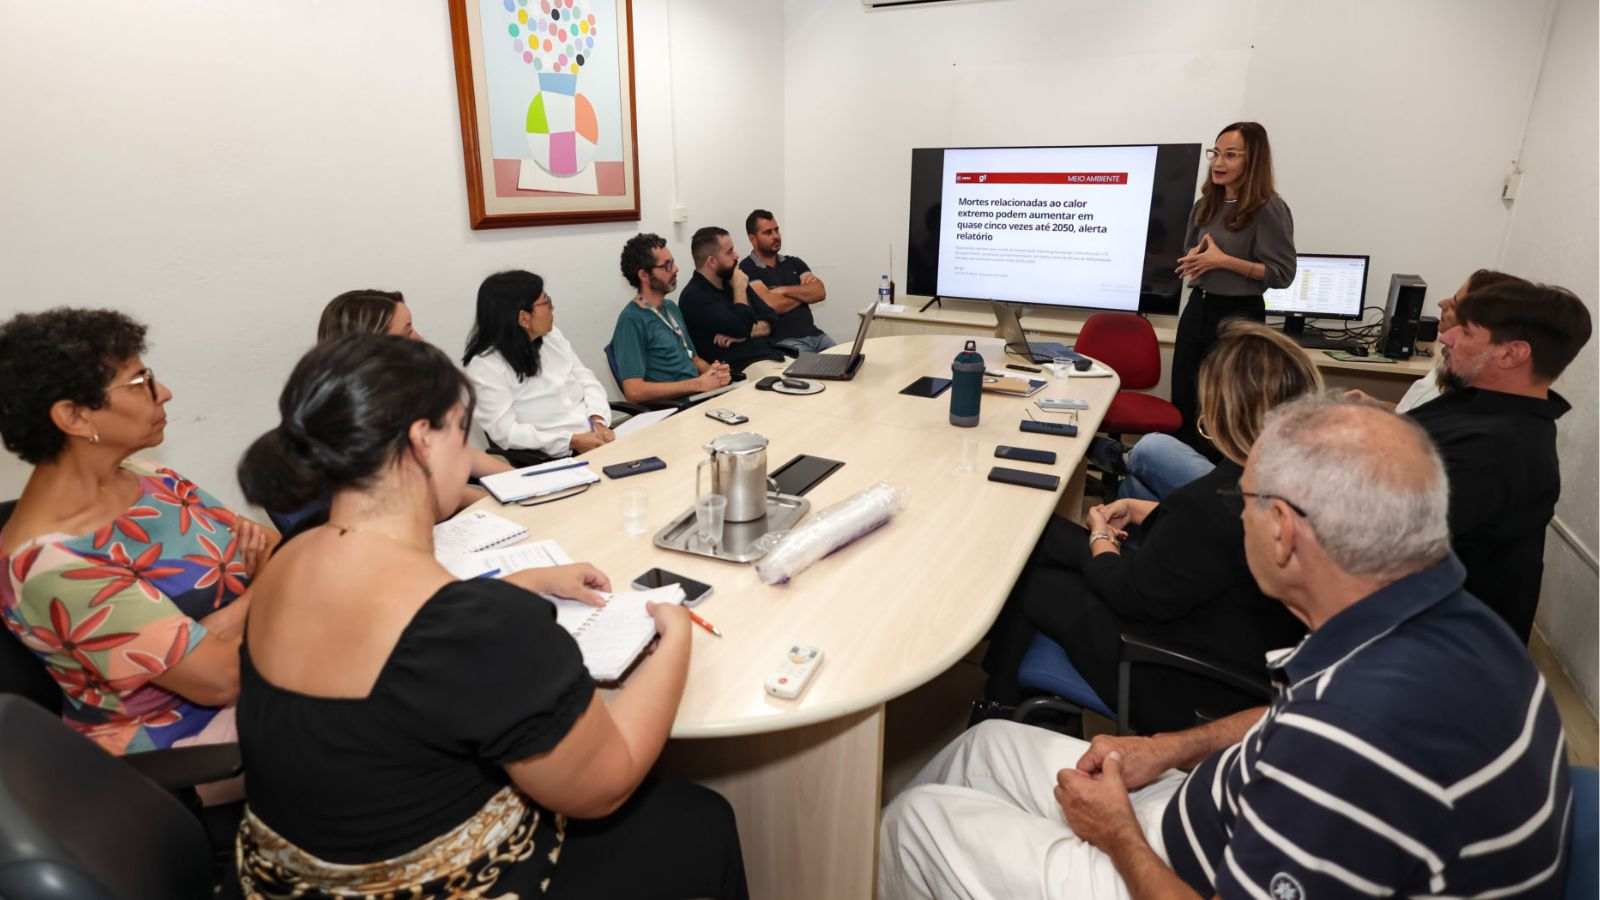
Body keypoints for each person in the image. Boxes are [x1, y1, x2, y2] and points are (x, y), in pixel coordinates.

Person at [883, 397, 1572, 900]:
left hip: (1180, 871)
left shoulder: (1355, 736)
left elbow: (1325, 747)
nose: (1232, 514)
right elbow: (1294, 720)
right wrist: (1170, 748)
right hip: (1220, 817)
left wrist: (1118, 834)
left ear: (1281, 533)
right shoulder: (1446, 616)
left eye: (1241, 501)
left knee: (917, 821)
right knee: (985, 746)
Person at [233, 334, 748, 899]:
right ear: (422, 442)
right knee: (700, 817)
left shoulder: (290, 559)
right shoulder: (478, 626)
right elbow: (604, 784)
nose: (469, 451)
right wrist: (673, 635)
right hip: (437, 883)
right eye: (462, 430)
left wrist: (524, 583)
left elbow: (385, 636)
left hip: (287, 876)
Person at [982, 322, 1318, 731]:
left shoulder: (1220, 502)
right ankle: (1012, 698)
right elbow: (1208, 551)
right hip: (1239, 647)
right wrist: (1150, 513)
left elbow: (1126, 593)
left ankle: (1000, 706)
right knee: (1041, 535)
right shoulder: (1291, 479)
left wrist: (1101, 536)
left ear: (1221, 408)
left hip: (1181, 676)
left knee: (1036, 580)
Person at [0, 308, 271, 757]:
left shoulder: (147, 477)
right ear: (74, 417)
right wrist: (263, 590)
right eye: (139, 382)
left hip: (267, 675)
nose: (164, 393)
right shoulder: (51, 569)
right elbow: (221, 679)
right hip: (192, 747)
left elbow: (277, 547)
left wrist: (221, 621)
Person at [1407, 279, 1591, 643]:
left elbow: (1381, 542)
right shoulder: (1476, 404)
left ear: (1511, 354)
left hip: (1437, 644)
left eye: (1468, 331)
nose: (1447, 337)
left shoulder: (1499, 451)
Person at [1170, 122, 1296, 450]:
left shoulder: (1268, 207)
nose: (1218, 163)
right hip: (1199, 308)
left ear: (1252, 160)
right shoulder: (1205, 205)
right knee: (1184, 399)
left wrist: (1224, 261)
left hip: (1239, 316)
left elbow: (1282, 273)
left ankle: (1211, 483)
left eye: (1230, 155)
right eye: (1215, 153)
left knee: (1225, 409)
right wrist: (1195, 259)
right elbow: (1190, 250)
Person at [462, 269, 615, 467]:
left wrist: (598, 419)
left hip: (597, 439)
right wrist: (570, 440)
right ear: (524, 318)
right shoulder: (485, 366)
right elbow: (506, 432)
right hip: (553, 459)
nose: (553, 307)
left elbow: (587, 380)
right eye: (546, 302)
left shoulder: (552, 337)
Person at [611, 233, 733, 405]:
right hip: (673, 407)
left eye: (673, 262)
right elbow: (634, 390)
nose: (675, 269)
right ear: (644, 275)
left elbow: (693, 359)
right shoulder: (631, 320)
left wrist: (714, 373)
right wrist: (697, 384)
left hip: (697, 398)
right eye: (667, 265)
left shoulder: (671, 308)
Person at [1394, 269, 1528, 413]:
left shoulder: (1467, 380)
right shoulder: (1453, 360)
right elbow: (1409, 416)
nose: (1441, 304)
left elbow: (1411, 427)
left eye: (1455, 305)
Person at [679, 225, 786, 374]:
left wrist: (746, 335)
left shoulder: (732, 278)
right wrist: (740, 290)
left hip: (770, 355)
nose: (736, 256)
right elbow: (740, 326)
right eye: (729, 252)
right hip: (738, 370)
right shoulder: (694, 297)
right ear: (712, 262)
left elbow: (772, 320)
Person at [740, 209, 836, 354]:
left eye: (776, 230)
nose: (775, 236)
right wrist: (804, 296)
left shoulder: (794, 263)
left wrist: (782, 291)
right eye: (768, 232)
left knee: (847, 365)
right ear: (752, 238)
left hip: (817, 336)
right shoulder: (747, 268)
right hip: (785, 343)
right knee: (816, 371)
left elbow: (820, 292)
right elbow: (771, 305)